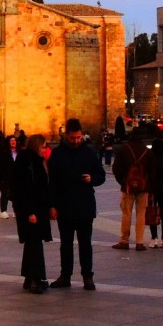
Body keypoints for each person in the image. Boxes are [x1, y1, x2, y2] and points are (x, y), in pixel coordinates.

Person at [47, 118, 106, 290]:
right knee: (65, 244)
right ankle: (65, 276)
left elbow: (101, 176)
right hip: (64, 206)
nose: (76, 141)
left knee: (85, 243)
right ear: (66, 136)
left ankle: (87, 276)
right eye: (73, 138)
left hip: (85, 205)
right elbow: (52, 182)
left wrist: (91, 179)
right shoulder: (57, 154)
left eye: (79, 137)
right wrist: (52, 206)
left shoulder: (89, 152)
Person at [10, 134, 52, 294]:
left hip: (36, 209)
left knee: (31, 243)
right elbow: (23, 189)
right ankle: (36, 279)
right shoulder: (28, 162)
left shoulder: (33, 160)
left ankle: (29, 279)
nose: (45, 149)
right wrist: (30, 212)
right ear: (36, 146)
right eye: (43, 146)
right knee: (35, 244)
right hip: (31, 211)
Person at [112, 127, 154, 251]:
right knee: (141, 214)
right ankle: (139, 242)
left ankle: (124, 241)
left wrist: (123, 181)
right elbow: (152, 172)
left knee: (126, 213)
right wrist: (150, 187)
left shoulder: (123, 150)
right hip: (143, 187)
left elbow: (115, 169)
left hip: (128, 187)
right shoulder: (147, 151)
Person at [0, 135, 17, 219]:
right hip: (4, 177)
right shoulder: (2, 153)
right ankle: (3, 211)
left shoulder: (19, 152)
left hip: (16, 177)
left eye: (14, 140)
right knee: (5, 194)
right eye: (11, 141)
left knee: (16, 194)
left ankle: (15, 210)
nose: (13, 142)